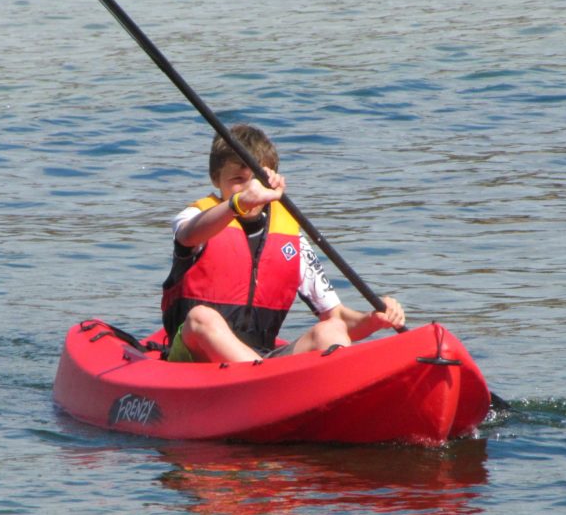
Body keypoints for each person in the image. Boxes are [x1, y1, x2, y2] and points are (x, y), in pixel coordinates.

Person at [161, 123, 406, 363]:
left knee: (330, 331)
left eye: (258, 180)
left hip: (260, 359)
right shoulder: (196, 217)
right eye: (238, 178)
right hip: (192, 356)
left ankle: (339, 391)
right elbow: (188, 235)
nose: (250, 189)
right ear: (216, 178)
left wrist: (374, 319)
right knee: (202, 317)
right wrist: (239, 203)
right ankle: (259, 384)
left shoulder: (291, 239)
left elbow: (339, 317)